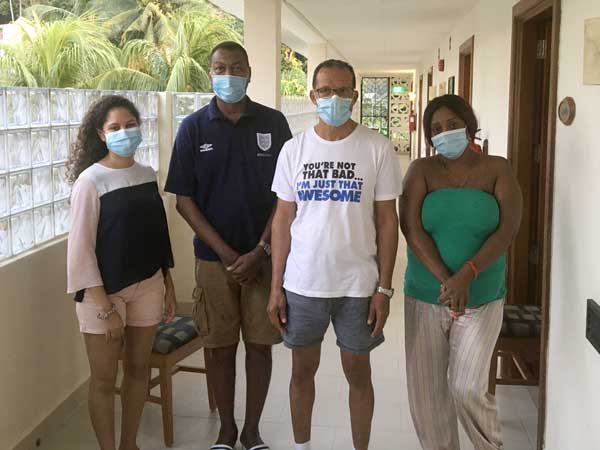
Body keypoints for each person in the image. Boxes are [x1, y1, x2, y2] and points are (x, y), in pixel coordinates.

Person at [268, 59, 402, 450]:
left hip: (358, 285)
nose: (334, 98)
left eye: (343, 91)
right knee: (301, 372)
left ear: (355, 97)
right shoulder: (294, 150)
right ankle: (302, 445)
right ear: (312, 96)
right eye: (326, 90)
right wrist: (276, 287)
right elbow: (282, 219)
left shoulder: (376, 147)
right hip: (303, 282)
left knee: (359, 374)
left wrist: (385, 289)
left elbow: (387, 222)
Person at [165, 41, 292, 450]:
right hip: (213, 261)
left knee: (260, 346)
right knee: (219, 347)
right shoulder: (193, 128)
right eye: (221, 67)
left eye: (237, 67)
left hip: (264, 260)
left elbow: (286, 196)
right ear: (210, 73)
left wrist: (260, 250)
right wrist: (226, 253)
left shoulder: (274, 124)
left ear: (250, 72)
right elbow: (184, 200)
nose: (229, 75)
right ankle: (226, 429)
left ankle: (252, 430)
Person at [400, 94, 523, 450]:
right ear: (428, 136)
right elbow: (411, 228)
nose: (445, 133)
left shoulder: (497, 168)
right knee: (427, 396)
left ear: (469, 124)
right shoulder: (421, 171)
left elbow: (508, 229)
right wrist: (447, 280)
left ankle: (490, 446)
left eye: (453, 124)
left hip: (482, 297)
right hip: (426, 295)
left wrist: (467, 274)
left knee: (467, 387)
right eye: (436, 129)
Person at [66, 95, 177, 450]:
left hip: (148, 285)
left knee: (138, 371)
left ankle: (129, 444)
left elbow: (157, 235)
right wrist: (105, 308)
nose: (124, 132)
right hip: (103, 293)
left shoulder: (146, 175)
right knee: (102, 379)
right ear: (101, 133)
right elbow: (80, 250)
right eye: (115, 127)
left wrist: (167, 283)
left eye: (130, 125)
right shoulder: (90, 181)